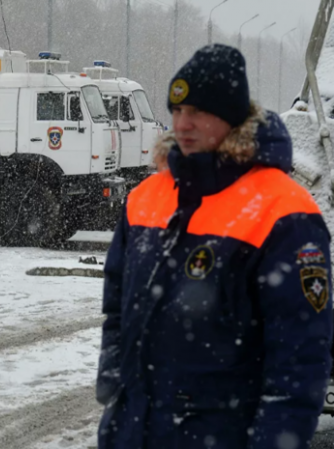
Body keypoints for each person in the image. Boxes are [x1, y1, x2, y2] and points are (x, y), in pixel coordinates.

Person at [96, 44, 334, 449]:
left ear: (231, 117)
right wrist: (114, 381)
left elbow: (300, 357)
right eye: (176, 110)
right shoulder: (145, 198)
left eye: (197, 111)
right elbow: (116, 303)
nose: (182, 123)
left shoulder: (284, 212)